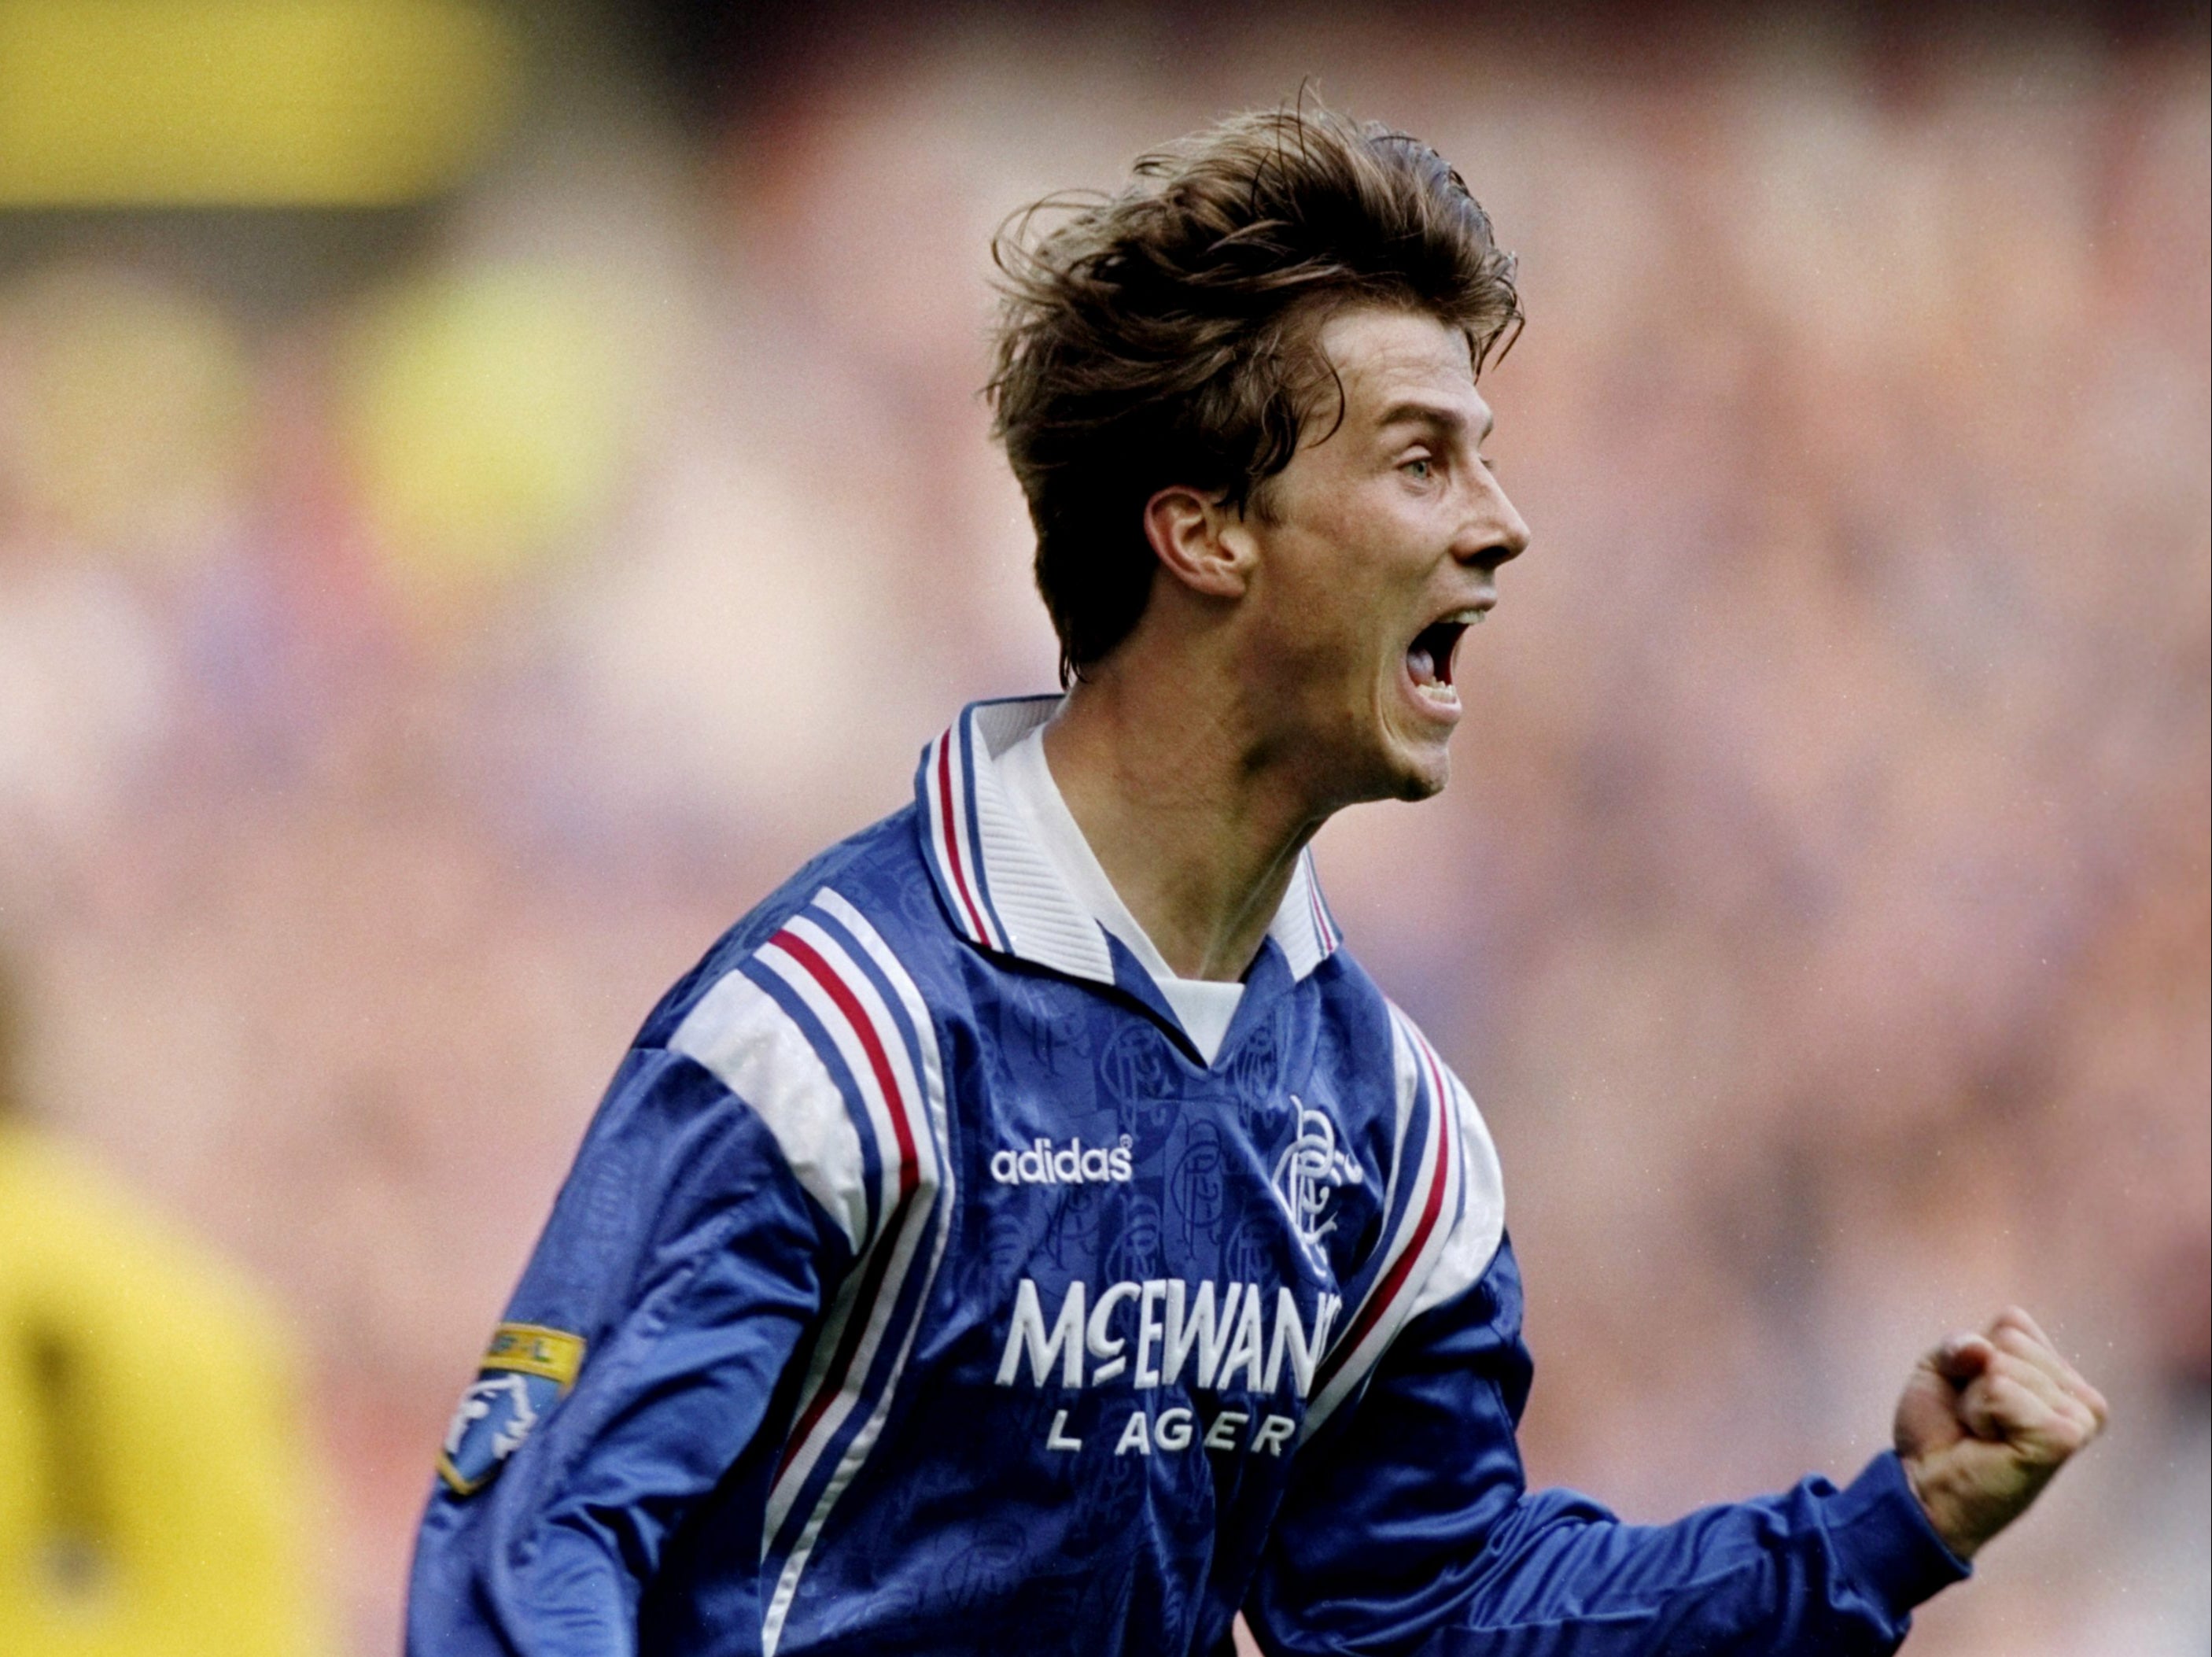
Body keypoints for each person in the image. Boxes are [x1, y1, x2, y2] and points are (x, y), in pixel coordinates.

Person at [405, 99, 2107, 1655]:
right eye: (1422, 459)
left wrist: (1885, 1535)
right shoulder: (833, 1038)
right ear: (1205, 528)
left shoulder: (1386, 1130)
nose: (1502, 524)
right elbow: (528, 1569)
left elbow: (1426, 1612)